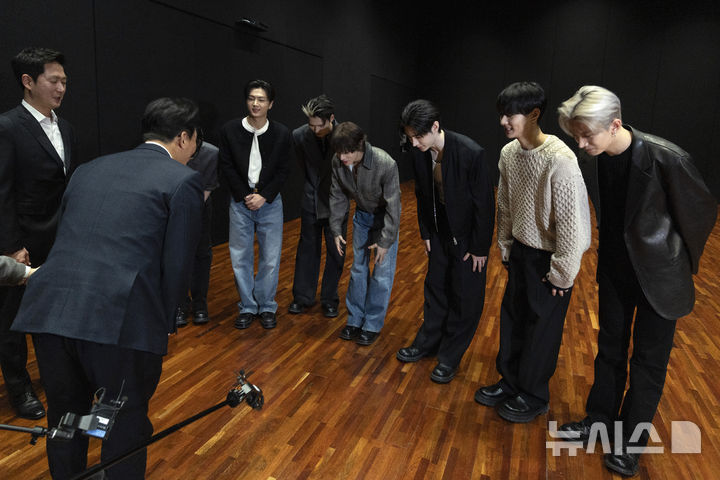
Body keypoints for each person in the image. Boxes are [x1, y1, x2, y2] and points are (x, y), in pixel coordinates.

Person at [12, 97, 204, 480]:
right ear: (184, 138)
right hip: (120, 320)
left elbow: (66, 237)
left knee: (65, 419)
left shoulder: (87, 170)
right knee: (122, 423)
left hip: (51, 310)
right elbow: (178, 265)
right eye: (196, 142)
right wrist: (165, 321)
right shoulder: (183, 180)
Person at [556, 85, 717, 477]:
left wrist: (674, 260)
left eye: (586, 135)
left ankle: (631, 442)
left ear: (614, 125)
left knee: (648, 362)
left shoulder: (668, 157)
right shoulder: (601, 155)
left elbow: (700, 214)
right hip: (616, 271)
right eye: (576, 135)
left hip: (660, 279)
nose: (581, 144)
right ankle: (599, 420)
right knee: (609, 349)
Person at [475, 82, 591, 422]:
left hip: (550, 259)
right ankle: (510, 382)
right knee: (513, 320)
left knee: (542, 330)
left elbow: (574, 225)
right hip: (521, 252)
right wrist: (505, 247)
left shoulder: (561, 160)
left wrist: (562, 274)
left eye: (510, 115)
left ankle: (534, 395)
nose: (503, 122)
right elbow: (505, 206)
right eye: (501, 114)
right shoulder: (508, 154)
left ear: (534, 114)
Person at [0, 46, 76, 420]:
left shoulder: (66, 127)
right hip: (23, 244)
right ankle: (19, 388)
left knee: (55, 313)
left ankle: (58, 375)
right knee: (12, 323)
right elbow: (2, 192)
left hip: (59, 239)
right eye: (54, 81)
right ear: (28, 82)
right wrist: (12, 246)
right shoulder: (7, 126)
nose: (61, 88)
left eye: (64, 81)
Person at [396, 99, 494, 383]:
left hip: (467, 238)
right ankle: (427, 343)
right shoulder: (419, 153)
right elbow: (422, 195)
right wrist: (426, 232)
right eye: (410, 137)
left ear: (435, 127)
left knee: (464, 297)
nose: (414, 143)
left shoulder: (471, 153)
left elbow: (485, 205)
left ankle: (450, 357)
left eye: (418, 136)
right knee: (435, 289)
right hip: (438, 233)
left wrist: (479, 247)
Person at [219, 79, 292, 330]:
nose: (255, 103)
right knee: (240, 257)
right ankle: (248, 307)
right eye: (251, 98)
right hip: (240, 201)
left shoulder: (282, 133)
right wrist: (244, 195)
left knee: (270, 258)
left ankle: (267, 305)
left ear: (271, 104)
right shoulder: (230, 130)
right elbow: (226, 165)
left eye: (261, 99)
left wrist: (264, 195)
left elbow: (284, 169)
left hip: (269, 202)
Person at [329, 122, 400, 346]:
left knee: (381, 274)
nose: (342, 157)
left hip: (384, 221)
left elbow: (394, 207)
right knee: (358, 270)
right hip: (361, 218)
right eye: (339, 152)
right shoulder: (338, 162)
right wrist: (335, 228)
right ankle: (354, 319)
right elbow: (337, 196)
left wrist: (386, 241)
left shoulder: (385, 163)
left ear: (360, 145)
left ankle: (372, 324)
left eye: (347, 152)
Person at [288, 95, 347, 318]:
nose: (314, 130)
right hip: (311, 199)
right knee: (307, 250)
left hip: (336, 201)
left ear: (331, 119)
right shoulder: (299, 135)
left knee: (336, 252)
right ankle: (302, 297)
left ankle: (330, 299)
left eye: (319, 126)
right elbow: (304, 168)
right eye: (311, 125)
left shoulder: (346, 135)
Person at [176, 141, 219, 327]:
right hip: (170, 206)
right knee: (176, 256)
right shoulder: (167, 149)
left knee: (201, 254)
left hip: (200, 205)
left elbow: (207, 189)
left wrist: (192, 209)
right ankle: (180, 304)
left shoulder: (210, 153)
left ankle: (200, 303)